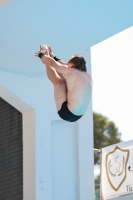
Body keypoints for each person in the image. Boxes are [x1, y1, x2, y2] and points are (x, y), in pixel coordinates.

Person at [35, 45, 92, 122]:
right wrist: (54, 57)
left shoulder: (71, 72)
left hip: (66, 113)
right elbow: (64, 65)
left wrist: (41, 55)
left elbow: (54, 64)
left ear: (72, 65)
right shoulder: (87, 77)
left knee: (58, 82)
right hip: (78, 115)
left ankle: (45, 61)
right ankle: (46, 59)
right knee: (64, 80)